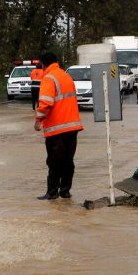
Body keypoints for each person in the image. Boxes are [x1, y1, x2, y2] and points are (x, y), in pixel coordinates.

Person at [34, 51, 84, 200]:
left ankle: (52, 193)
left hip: (57, 129)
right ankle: (65, 191)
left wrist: (38, 120)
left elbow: (45, 103)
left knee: (54, 161)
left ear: (43, 64)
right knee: (68, 160)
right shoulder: (66, 76)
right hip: (72, 127)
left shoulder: (48, 78)